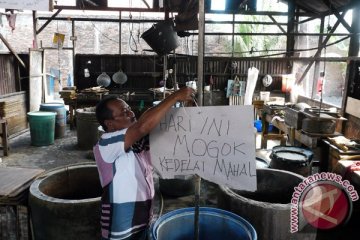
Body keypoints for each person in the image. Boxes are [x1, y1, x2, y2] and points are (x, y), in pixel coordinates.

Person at [93, 87, 194, 240]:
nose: (131, 113)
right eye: (124, 112)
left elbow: (152, 125)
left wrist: (188, 107)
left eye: (129, 109)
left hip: (143, 220)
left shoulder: (139, 142)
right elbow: (142, 126)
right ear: (110, 124)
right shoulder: (106, 145)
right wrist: (175, 97)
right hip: (120, 228)